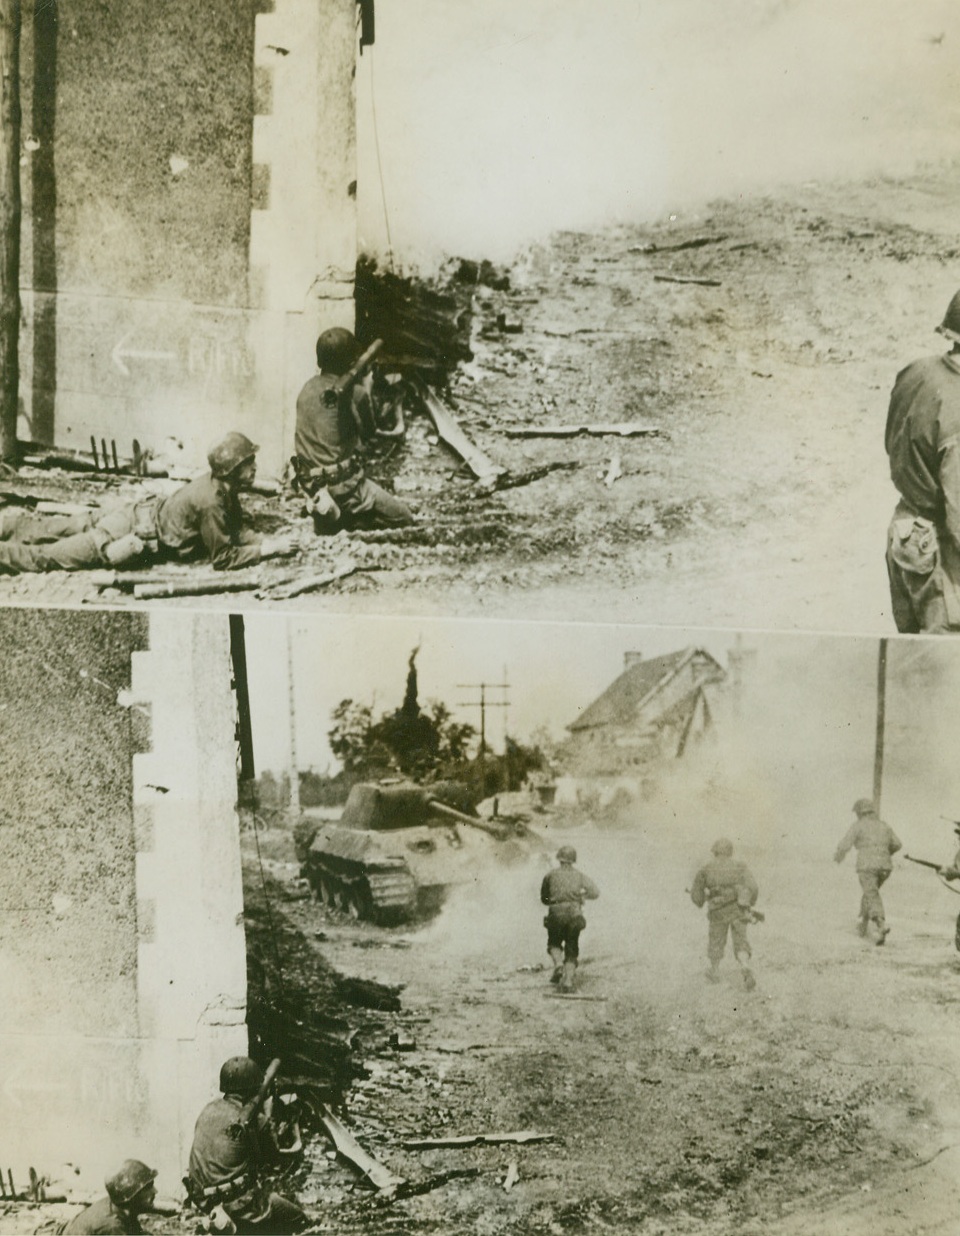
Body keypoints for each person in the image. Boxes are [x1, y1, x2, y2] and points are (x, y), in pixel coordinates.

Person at [0, 432, 296, 575]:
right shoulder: (212, 501)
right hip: (124, 534)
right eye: (248, 463)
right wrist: (267, 550)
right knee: (44, 558)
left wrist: (265, 541)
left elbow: (235, 528)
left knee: (44, 528)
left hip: (131, 515)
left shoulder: (220, 487)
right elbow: (223, 558)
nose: (254, 468)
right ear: (232, 470)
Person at [885, 290, 960, 632]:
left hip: (905, 534)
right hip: (941, 560)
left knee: (912, 657)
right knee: (946, 660)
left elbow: (892, 440)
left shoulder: (916, 372)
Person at [294, 327, 415, 532]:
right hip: (343, 487)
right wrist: (366, 384)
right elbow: (368, 433)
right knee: (404, 518)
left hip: (311, 485)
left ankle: (333, 516)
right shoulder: (356, 394)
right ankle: (345, 519)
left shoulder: (306, 388)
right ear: (351, 362)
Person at [185, 1056, 307, 1235]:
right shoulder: (253, 1121)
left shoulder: (208, 1110)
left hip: (204, 1200)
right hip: (237, 1204)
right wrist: (273, 1117)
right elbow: (273, 1160)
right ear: (255, 1088)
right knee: (297, 1218)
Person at [690, 838, 760, 990]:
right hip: (738, 909)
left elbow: (696, 895)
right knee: (741, 941)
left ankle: (714, 971)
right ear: (730, 851)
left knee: (716, 941)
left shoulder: (706, 869)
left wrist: (702, 900)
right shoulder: (740, 867)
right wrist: (750, 903)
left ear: (715, 851)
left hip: (717, 911)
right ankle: (745, 965)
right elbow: (753, 887)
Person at [834, 797, 901, 944]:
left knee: (871, 894)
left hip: (867, 866)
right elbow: (897, 844)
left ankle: (881, 925)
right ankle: (863, 925)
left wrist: (838, 856)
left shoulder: (858, 825)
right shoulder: (884, 825)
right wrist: (884, 853)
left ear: (860, 813)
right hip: (885, 867)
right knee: (870, 892)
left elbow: (846, 844)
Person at [540, 845, 599, 992]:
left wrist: (555, 899)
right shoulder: (579, 875)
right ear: (573, 860)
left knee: (554, 943)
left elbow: (544, 898)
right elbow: (595, 892)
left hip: (556, 914)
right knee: (572, 948)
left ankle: (558, 965)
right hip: (574, 914)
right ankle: (568, 981)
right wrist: (582, 896)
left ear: (559, 859)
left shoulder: (550, 875)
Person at [61, 1159, 157, 1235]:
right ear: (132, 1195)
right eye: (148, 1187)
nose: (155, 1191)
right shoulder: (112, 1226)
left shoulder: (120, 1205)